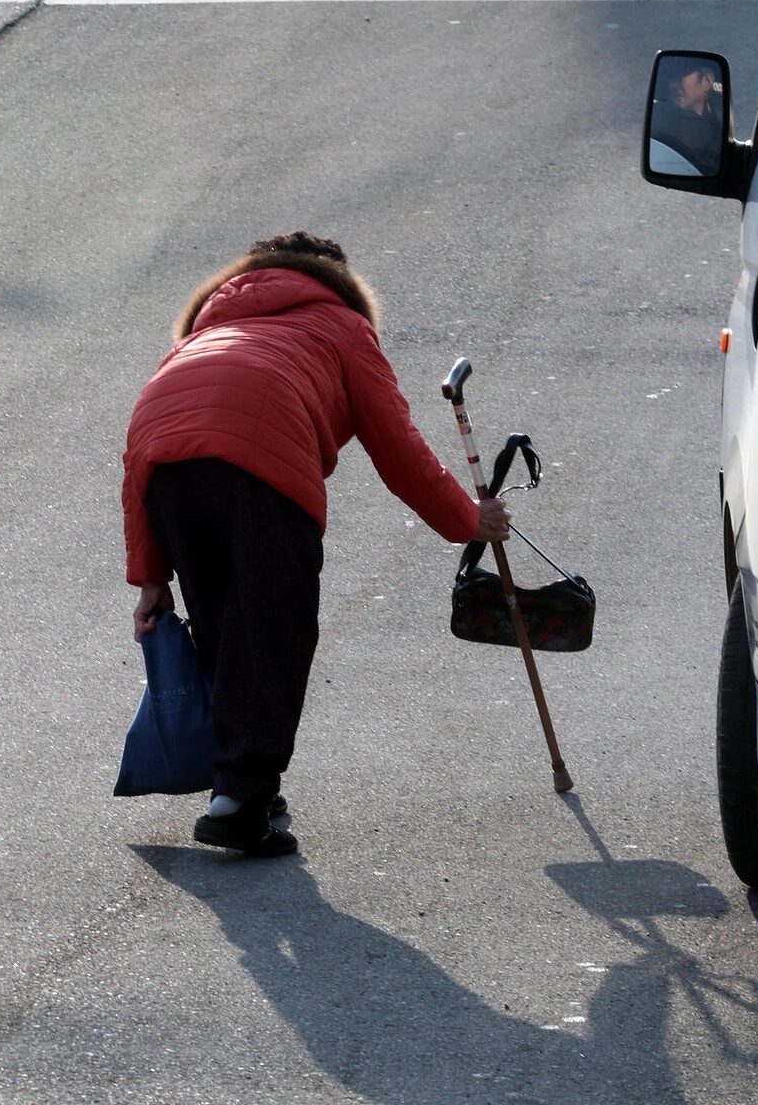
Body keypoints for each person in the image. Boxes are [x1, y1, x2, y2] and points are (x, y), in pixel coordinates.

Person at [122, 231, 509, 857]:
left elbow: (135, 463)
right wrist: (469, 518)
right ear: (335, 279)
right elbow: (400, 449)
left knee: (224, 624)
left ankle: (241, 786)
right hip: (263, 444)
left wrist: (151, 577)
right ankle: (242, 798)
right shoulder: (341, 323)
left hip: (164, 451)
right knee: (274, 624)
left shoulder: (200, 335)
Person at [652, 57, 724, 176]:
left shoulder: (719, 113)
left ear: (707, 81)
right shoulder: (661, 120)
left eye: (681, 75)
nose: (673, 84)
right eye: (671, 77)